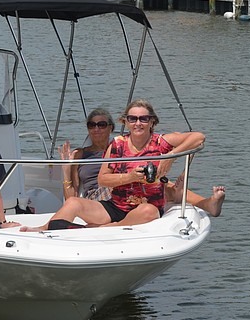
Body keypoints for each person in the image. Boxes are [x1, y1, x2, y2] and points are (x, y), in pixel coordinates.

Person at [22, 99, 206, 231]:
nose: (138, 123)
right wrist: (131, 176)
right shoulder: (117, 144)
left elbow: (198, 137)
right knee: (73, 203)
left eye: (143, 119)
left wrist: (169, 156)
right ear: (125, 122)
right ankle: (45, 228)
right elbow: (102, 179)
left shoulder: (161, 142)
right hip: (116, 206)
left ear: (152, 121)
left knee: (149, 211)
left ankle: (106, 228)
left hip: (144, 208)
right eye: (132, 119)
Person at [59, 107, 224, 215]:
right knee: (156, 184)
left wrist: (170, 157)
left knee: (158, 181)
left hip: (132, 183)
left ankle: (206, 204)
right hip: (100, 194)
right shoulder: (80, 154)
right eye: (91, 125)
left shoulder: (121, 146)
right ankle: (179, 196)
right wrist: (66, 170)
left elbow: (197, 138)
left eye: (101, 124)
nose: (96, 129)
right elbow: (71, 197)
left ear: (111, 127)